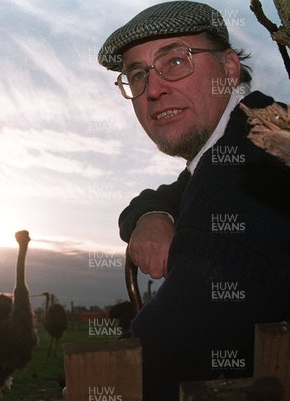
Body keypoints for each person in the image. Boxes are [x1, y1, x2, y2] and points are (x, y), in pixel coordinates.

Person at [96, 1, 290, 400]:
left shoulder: (237, 177)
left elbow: (167, 355)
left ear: (230, 68)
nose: (152, 89)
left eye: (176, 61)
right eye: (137, 74)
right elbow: (174, 190)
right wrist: (151, 213)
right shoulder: (261, 132)